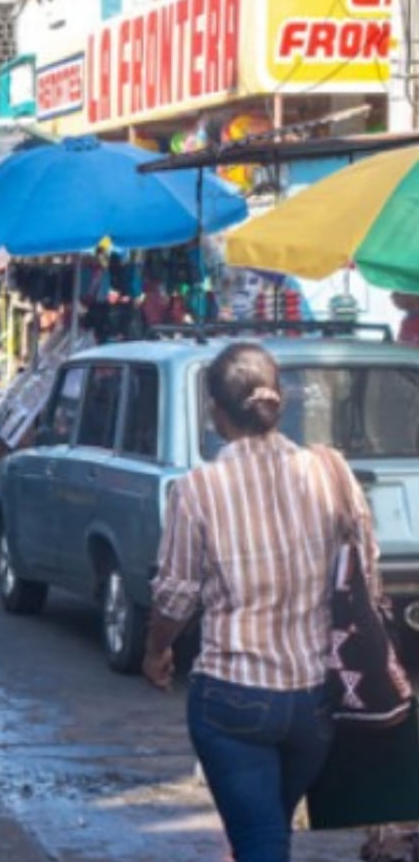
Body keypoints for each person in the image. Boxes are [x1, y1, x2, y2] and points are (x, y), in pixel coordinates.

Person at [145, 343, 371, 862]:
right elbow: (366, 567)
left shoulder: (197, 490)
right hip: (315, 699)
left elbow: (175, 595)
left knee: (260, 840)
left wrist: (156, 651)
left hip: (232, 698)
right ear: (280, 401)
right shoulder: (330, 470)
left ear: (216, 413)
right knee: (268, 830)